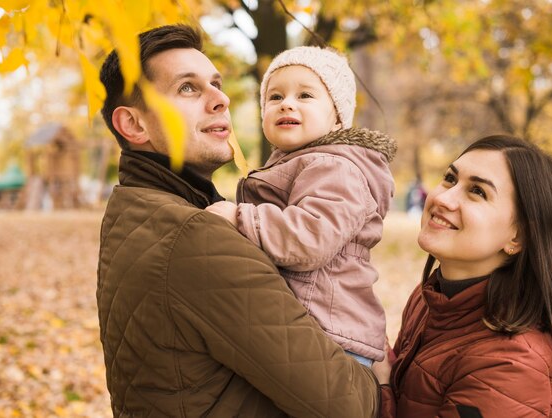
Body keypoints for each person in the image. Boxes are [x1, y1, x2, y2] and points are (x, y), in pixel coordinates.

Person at [96, 24, 381, 417]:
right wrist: (381, 375)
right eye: (188, 88)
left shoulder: (136, 210)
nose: (221, 99)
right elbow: (349, 405)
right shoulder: (196, 236)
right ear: (133, 124)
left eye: (217, 83)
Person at [206, 46, 397, 367]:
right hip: (310, 326)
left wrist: (240, 218)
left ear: (337, 117)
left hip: (330, 334)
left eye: (305, 95)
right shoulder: (300, 163)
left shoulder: (336, 167)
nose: (287, 104)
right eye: (275, 97)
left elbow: (310, 238)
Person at [374, 135, 552, 417]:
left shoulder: (511, 367)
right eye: (449, 178)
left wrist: (380, 384)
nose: (443, 198)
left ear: (518, 236)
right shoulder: (432, 297)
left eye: (478, 192)